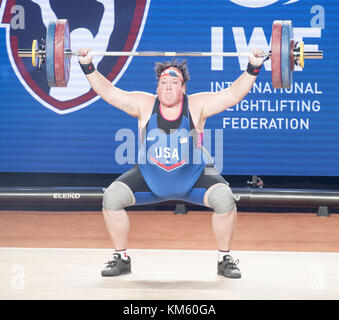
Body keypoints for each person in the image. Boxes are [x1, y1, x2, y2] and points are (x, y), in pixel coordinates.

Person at [78, 47, 264, 279]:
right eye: (164, 82)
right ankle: (122, 258)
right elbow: (109, 92)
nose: (168, 87)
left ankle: (224, 259)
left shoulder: (197, 105)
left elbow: (233, 94)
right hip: (150, 179)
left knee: (225, 199)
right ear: (157, 87)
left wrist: (253, 66)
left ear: (184, 87)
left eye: (174, 83)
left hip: (194, 178)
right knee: (112, 198)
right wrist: (87, 65)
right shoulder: (144, 105)